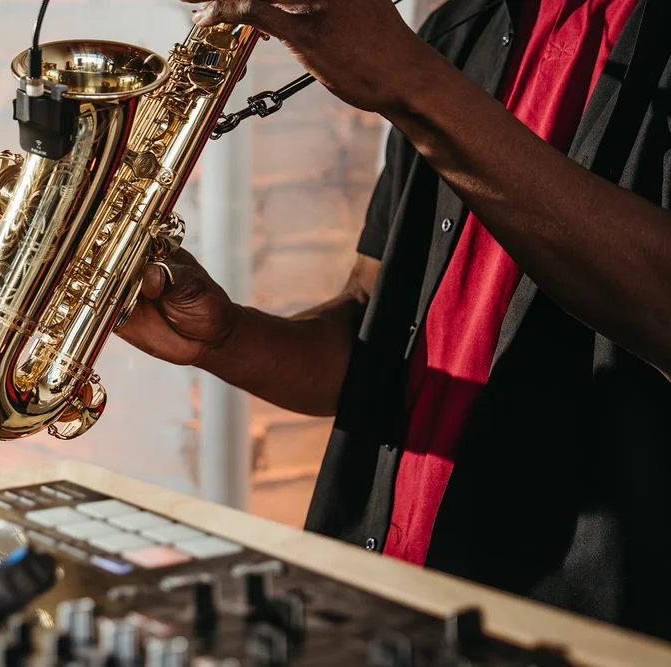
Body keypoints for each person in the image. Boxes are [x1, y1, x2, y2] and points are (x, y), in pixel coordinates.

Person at [117, 0, 671, 641]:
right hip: (372, 607)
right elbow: (374, 324)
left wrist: (407, 81)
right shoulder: (460, 26)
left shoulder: (419, 59)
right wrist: (228, 337)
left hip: (572, 631)